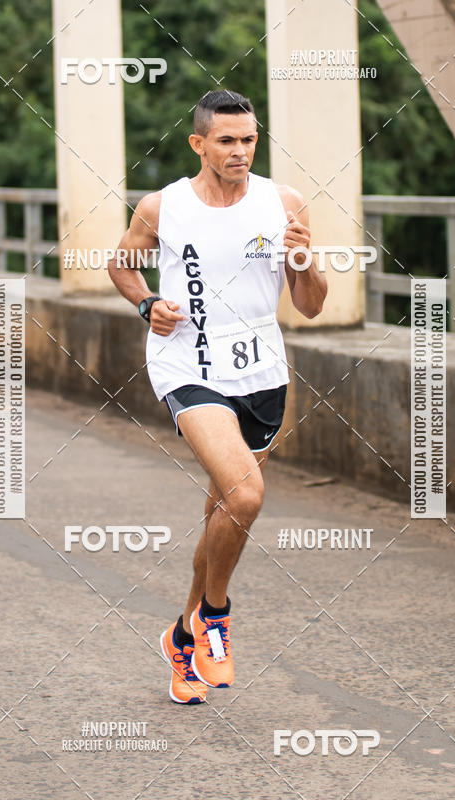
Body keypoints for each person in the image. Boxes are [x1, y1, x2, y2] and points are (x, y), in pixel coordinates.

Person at [109, 89, 327, 704]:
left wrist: (305, 263)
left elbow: (310, 305)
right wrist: (148, 303)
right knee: (246, 494)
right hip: (187, 364)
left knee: (221, 514)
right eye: (226, 140)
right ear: (198, 144)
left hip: (262, 371)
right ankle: (215, 615)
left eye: (249, 139)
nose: (239, 151)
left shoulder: (283, 204)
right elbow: (121, 265)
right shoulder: (163, 207)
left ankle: (181, 638)